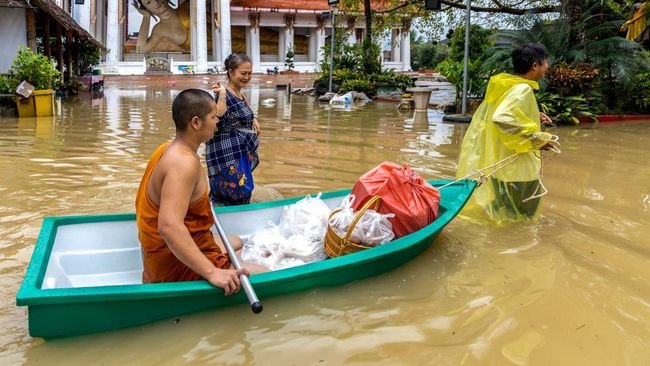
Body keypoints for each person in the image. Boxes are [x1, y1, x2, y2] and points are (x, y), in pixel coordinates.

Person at [135, 89, 266, 294]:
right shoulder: (184, 163)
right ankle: (217, 269)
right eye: (213, 117)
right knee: (267, 273)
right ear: (196, 123)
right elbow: (169, 226)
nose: (217, 122)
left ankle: (228, 262)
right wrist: (212, 272)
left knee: (236, 242)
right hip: (169, 265)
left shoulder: (167, 147)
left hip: (159, 252)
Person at [456, 43, 559, 224]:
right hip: (519, 171)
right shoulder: (523, 89)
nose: (547, 66)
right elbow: (502, 118)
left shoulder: (507, 85)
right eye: (545, 62)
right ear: (535, 65)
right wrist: (537, 140)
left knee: (502, 214)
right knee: (524, 220)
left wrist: (534, 115)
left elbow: (506, 112)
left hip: (502, 168)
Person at [207, 54, 260, 206]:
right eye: (243, 73)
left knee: (243, 188)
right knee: (235, 189)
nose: (247, 77)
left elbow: (244, 112)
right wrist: (222, 94)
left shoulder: (239, 93)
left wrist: (254, 119)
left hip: (239, 151)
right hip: (226, 154)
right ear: (231, 72)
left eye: (249, 73)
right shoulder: (223, 93)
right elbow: (218, 118)